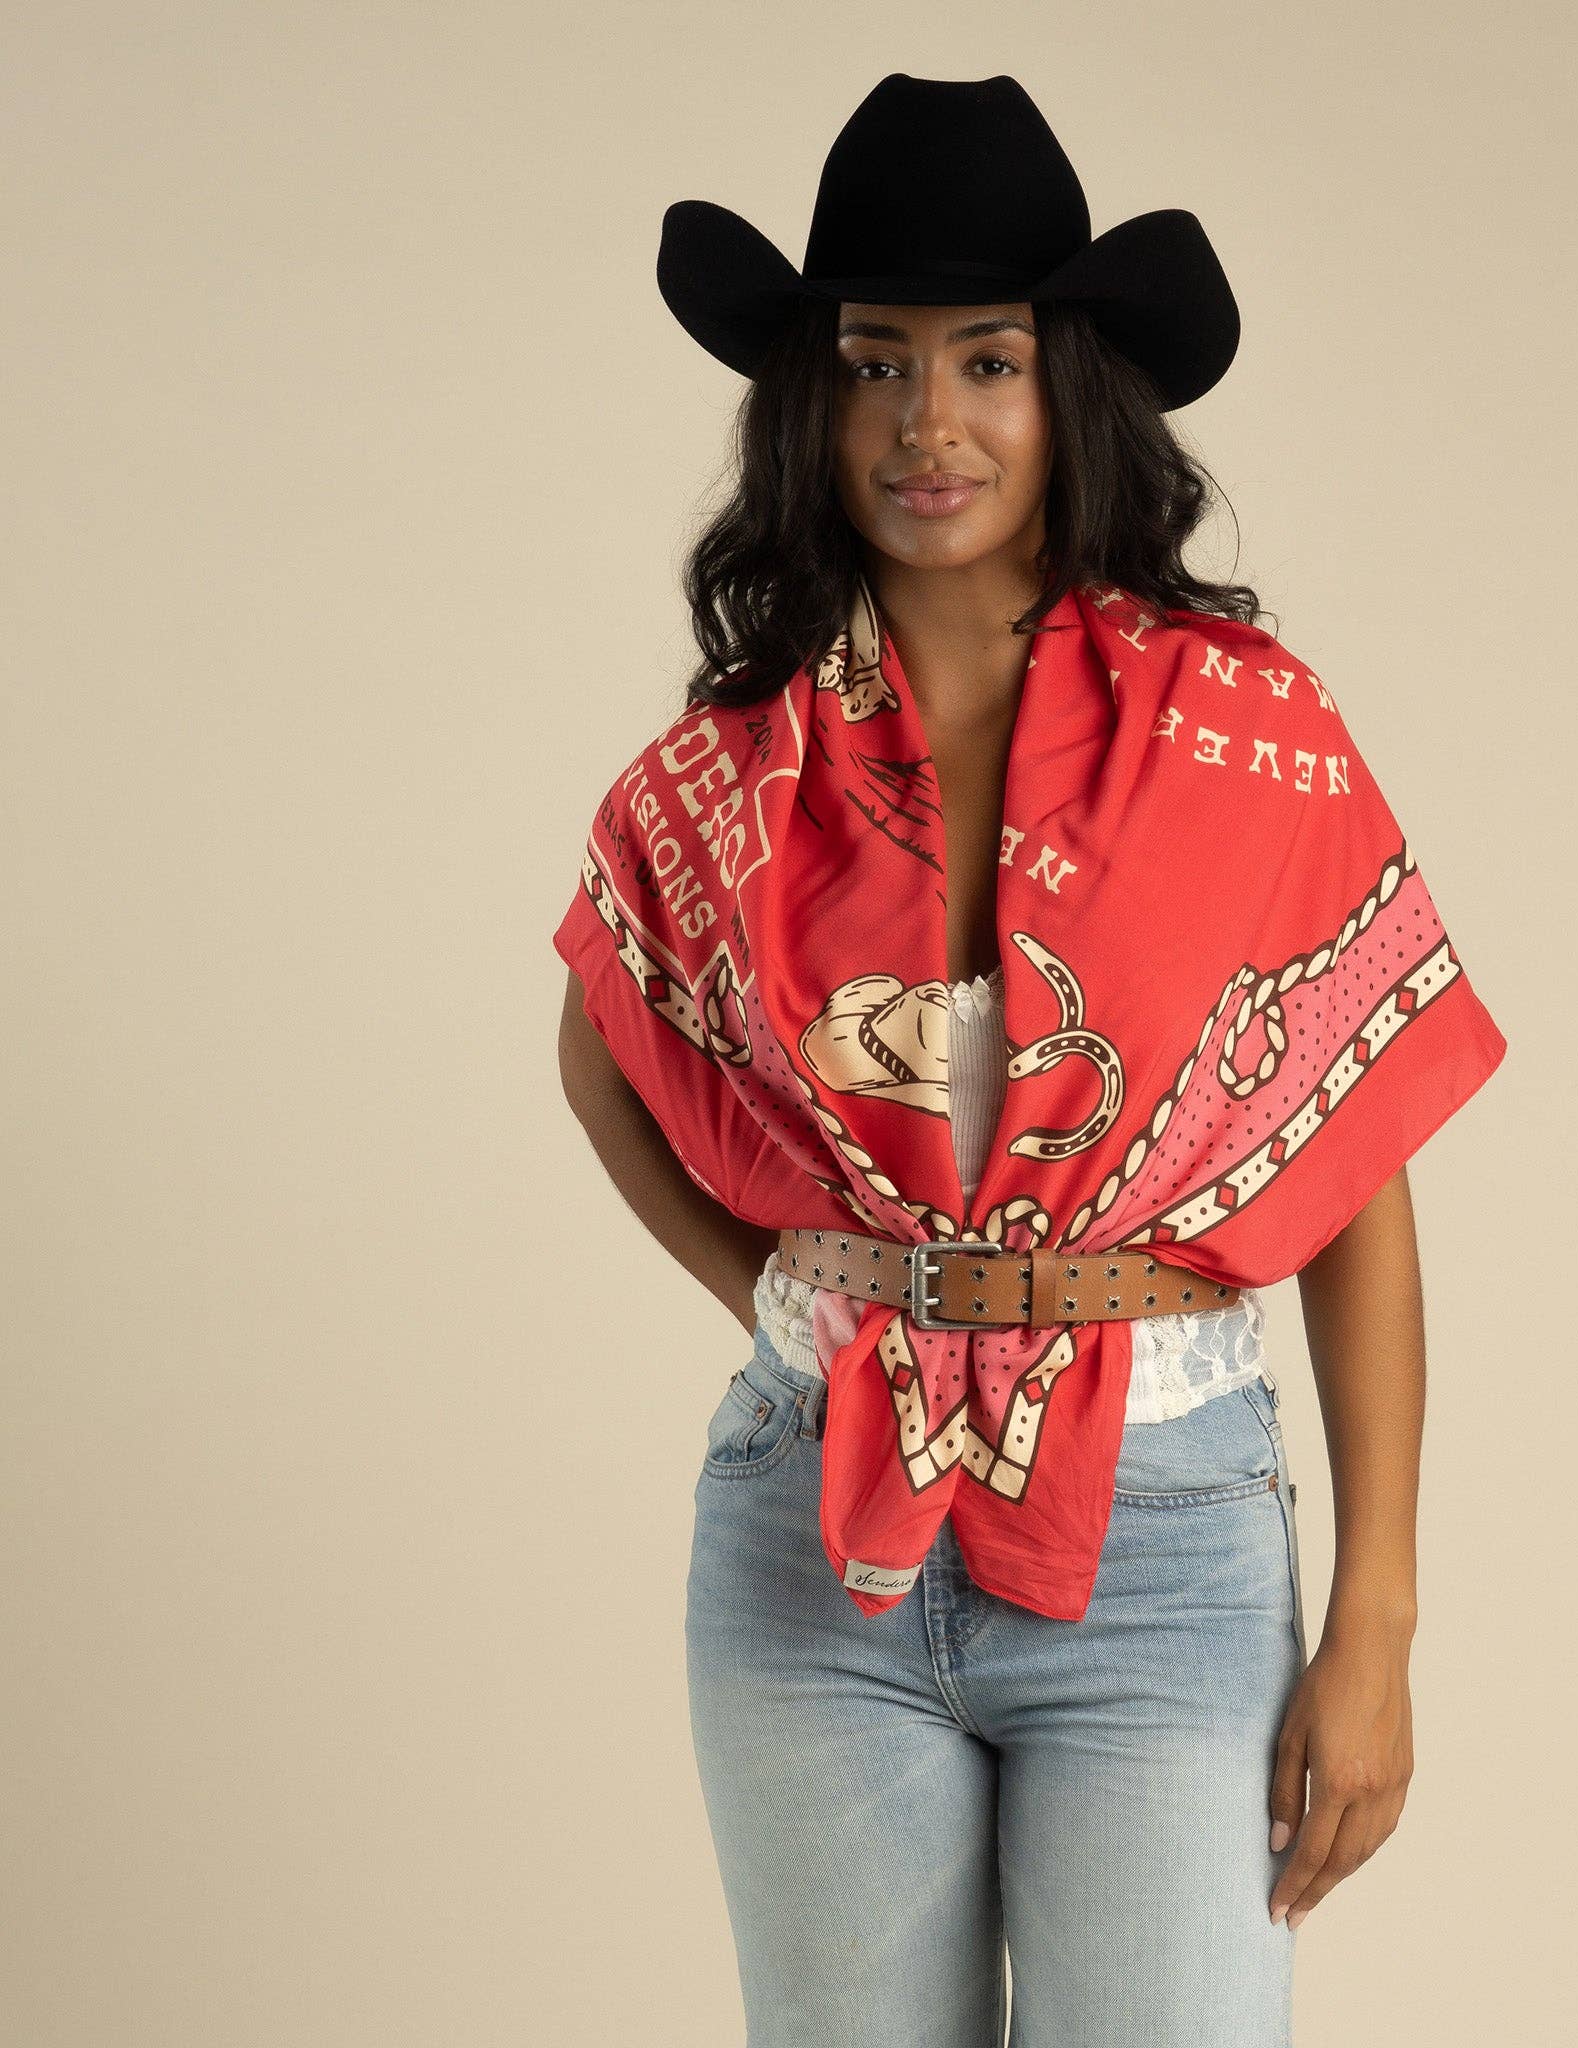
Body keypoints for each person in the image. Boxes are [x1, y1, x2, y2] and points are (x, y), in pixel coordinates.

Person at [553, 74, 1506, 2047]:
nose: (928, 423)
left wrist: (1380, 1618)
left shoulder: (1243, 729)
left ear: (1069, 390)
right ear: (809, 404)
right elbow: (605, 1049)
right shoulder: (736, 761)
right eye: (873, 364)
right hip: (810, 1537)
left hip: (1165, 1531)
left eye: (985, 361)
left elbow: (1352, 1177)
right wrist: (795, 1304)